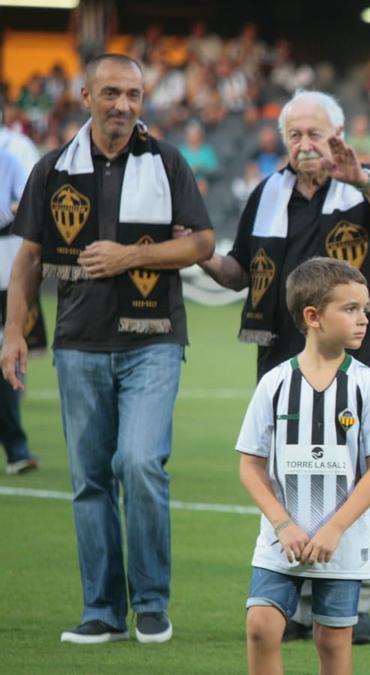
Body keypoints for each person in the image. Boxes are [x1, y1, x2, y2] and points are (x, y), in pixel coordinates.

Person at [0, 54, 215, 644]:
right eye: (112, 93)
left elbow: (202, 243)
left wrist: (129, 256)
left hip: (154, 340)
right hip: (78, 343)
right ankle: (101, 610)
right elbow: (28, 259)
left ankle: (150, 602)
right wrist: (15, 331)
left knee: (141, 463)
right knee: (89, 478)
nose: (124, 105)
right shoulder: (52, 169)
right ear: (85, 95)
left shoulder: (168, 162)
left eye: (135, 94)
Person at [190, 89, 370, 645]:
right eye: (296, 135)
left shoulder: (362, 181)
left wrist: (360, 177)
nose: (306, 144)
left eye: (316, 133)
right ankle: (289, 596)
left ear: (337, 135)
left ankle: (352, 599)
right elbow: (239, 271)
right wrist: (194, 251)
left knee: (357, 478)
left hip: (352, 362)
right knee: (287, 477)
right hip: (282, 363)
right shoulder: (267, 191)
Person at [238, 257, 370, 675]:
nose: (364, 320)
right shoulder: (274, 383)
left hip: (339, 540)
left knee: (332, 640)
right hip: (281, 538)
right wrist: (282, 523)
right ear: (313, 317)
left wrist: (335, 527)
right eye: (350, 309)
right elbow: (250, 466)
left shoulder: (367, 384)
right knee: (261, 626)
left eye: (365, 310)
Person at [0, 146, 42, 475]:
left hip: (6, 267)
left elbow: (25, 205)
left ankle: (16, 448)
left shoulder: (10, 160)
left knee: (6, 356)